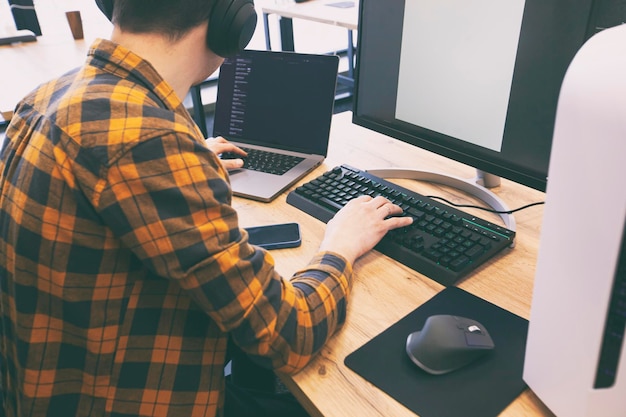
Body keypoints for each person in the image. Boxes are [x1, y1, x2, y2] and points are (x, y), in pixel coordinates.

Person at [0, 0, 413, 416]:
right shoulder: (146, 143)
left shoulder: (49, 98)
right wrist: (341, 245)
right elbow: (290, 335)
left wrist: (188, 163)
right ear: (231, 24)